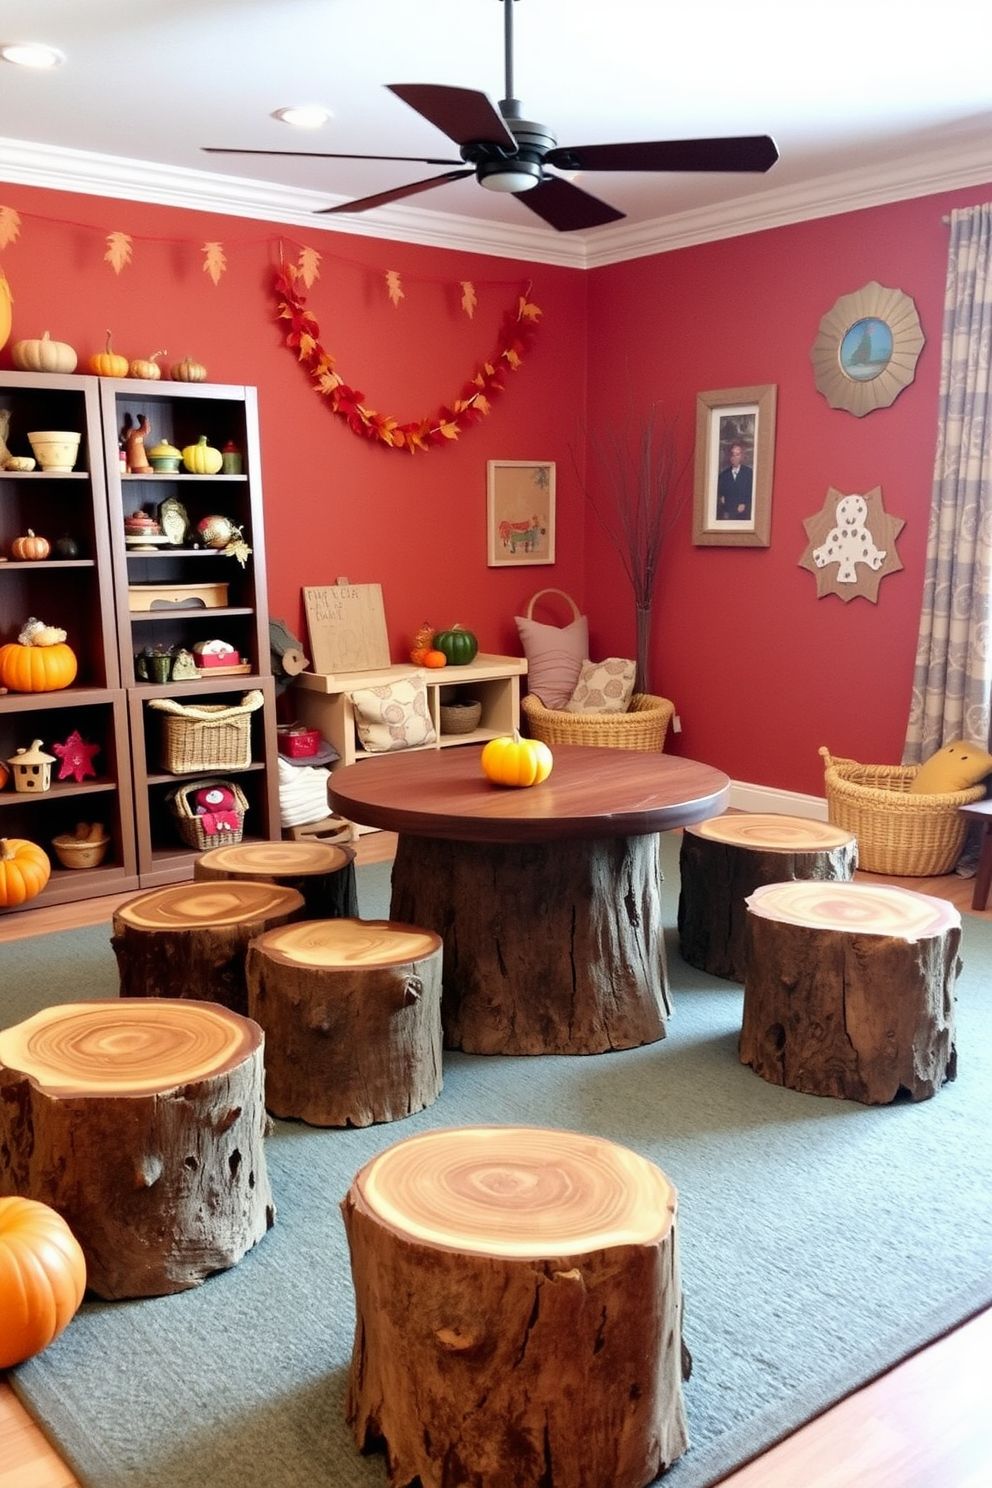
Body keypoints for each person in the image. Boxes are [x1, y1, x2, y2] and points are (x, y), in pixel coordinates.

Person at [715, 440, 753, 520]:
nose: (734, 457)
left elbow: (752, 494)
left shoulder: (749, 474)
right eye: (732, 454)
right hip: (728, 514)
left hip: (745, 515)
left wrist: (744, 504)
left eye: (737, 454)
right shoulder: (724, 475)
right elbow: (720, 496)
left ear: (742, 456)